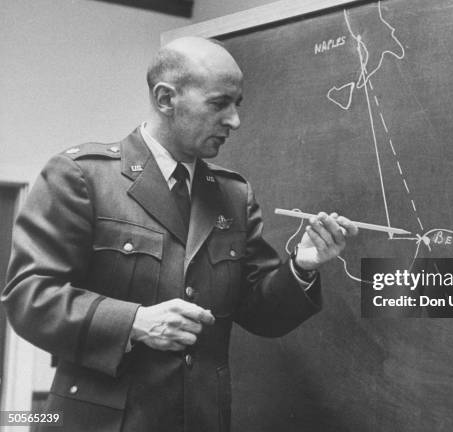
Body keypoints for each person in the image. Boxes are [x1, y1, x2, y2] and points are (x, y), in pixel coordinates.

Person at [2, 37, 358, 432]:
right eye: (219, 103)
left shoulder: (232, 195)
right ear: (166, 99)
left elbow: (261, 313)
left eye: (237, 104)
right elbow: (29, 296)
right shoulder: (83, 177)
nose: (235, 121)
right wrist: (134, 321)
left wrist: (303, 264)